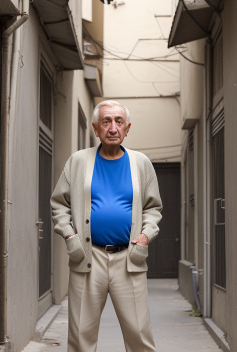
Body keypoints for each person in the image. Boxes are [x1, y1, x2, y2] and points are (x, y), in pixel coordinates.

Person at [50, 100, 162, 352]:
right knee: (80, 337)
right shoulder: (78, 161)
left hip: (129, 258)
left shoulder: (141, 163)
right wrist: (70, 236)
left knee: (140, 337)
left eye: (119, 122)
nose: (113, 128)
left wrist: (145, 237)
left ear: (127, 128)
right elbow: (59, 204)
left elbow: (153, 208)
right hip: (88, 258)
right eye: (106, 121)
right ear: (95, 128)